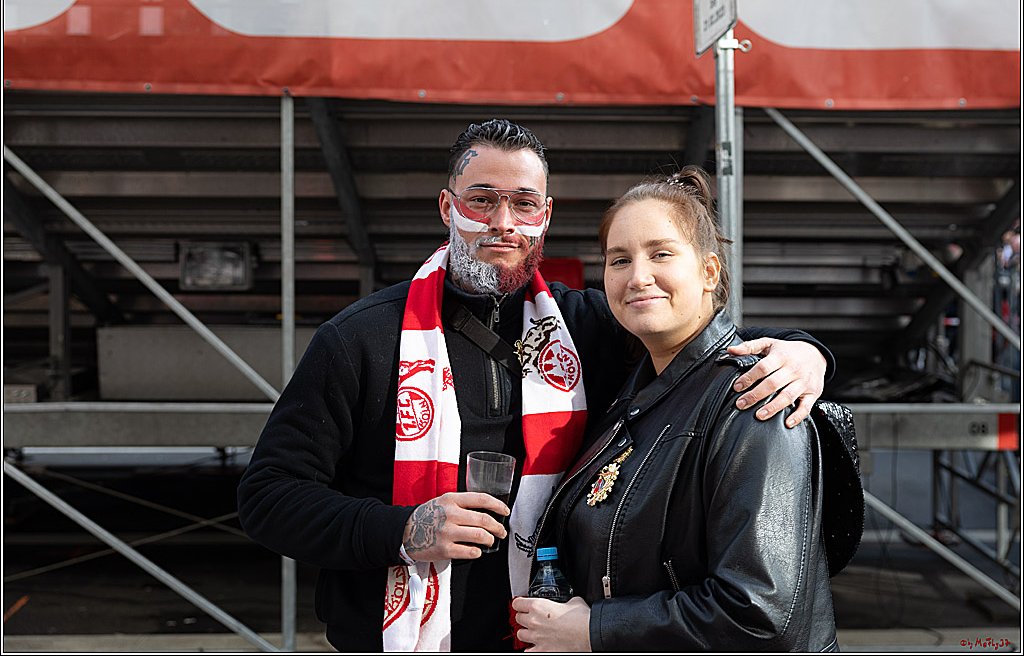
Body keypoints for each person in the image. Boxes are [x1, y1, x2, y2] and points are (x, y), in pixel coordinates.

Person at [236, 120, 837, 652]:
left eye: (524, 203)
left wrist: (804, 350)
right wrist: (403, 529)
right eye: (482, 201)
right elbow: (267, 497)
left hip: (552, 641)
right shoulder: (361, 339)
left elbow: (685, 327)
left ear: (545, 216)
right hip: (396, 640)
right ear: (447, 208)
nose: (503, 223)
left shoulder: (587, 326)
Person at [512, 167, 862, 652]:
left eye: (661, 254)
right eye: (619, 260)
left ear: (709, 272)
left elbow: (756, 611)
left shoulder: (755, 398)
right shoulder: (629, 392)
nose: (638, 277)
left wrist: (594, 631)